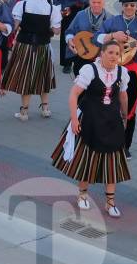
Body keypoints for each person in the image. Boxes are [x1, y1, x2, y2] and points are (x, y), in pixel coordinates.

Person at [51, 41, 131, 217]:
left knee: (112, 162)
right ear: (101, 53)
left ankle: (110, 202)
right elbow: (74, 94)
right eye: (110, 52)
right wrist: (73, 119)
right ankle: (83, 194)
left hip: (111, 121)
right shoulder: (90, 70)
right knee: (87, 159)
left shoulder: (122, 72)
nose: (113, 56)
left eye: (117, 53)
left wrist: (125, 116)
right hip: (90, 119)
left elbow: (123, 96)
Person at [100, 0, 137, 158]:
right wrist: (112, 36)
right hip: (112, 68)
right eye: (126, 5)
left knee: (129, 107)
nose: (129, 8)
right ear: (121, 6)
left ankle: (125, 145)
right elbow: (98, 37)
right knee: (108, 102)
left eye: (132, 5)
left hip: (133, 70)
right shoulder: (112, 21)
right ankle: (105, 140)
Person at [3, 0, 61, 121]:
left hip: (24, 45)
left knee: (25, 77)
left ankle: (24, 112)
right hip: (43, 46)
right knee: (43, 76)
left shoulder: (21, 5)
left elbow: (15, 27)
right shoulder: (52, 9)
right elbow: (57, 30)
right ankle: (45, 108)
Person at [65, 0, 110, 80]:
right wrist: (70, 40)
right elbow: (70, 31)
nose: (96, 5)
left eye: (99, 2)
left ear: (103, 3)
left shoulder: (110, 18)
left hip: (101, 58)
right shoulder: (80, 15)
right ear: (89, 2)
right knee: (80, 82)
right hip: (82, 55)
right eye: (93, 2)